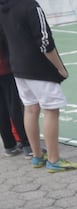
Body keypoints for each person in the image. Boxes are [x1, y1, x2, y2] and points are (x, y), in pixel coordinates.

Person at [0, 0, 77, 172]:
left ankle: (37, 156)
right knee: (51, 110)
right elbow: (45, 42)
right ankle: (54, 159)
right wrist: (60, 68)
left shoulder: (4, 7)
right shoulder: (30, 6)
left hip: (17, 67)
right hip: (38, 68)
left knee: (30, 108)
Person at [0, 25, 31, 156]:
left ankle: (9, 145)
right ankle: (27, 145)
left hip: (5, 66)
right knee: (15, 107)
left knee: (2, 108)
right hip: (6, 67)